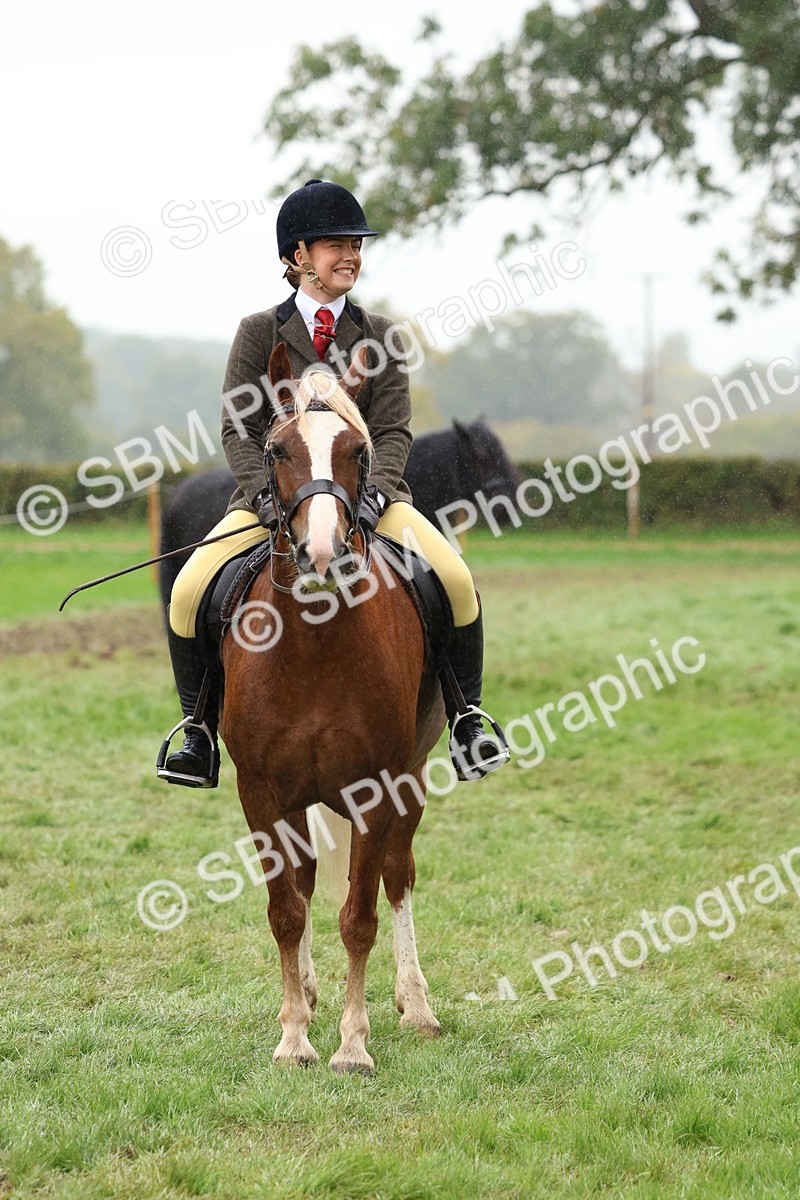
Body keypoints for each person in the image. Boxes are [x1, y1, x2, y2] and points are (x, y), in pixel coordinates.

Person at [157, 179, 510, 788]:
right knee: (189, 590)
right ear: (297, 257)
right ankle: (197, 732)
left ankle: (467, 719)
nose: (351, 255)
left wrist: (371, 497)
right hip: (273, 502)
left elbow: (394, 430)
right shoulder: (257, 333)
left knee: (455, 579)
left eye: (356, 244)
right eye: (335, 245)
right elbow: (238, 430)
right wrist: (272, 502)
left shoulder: (380, 336)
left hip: (370, 500)